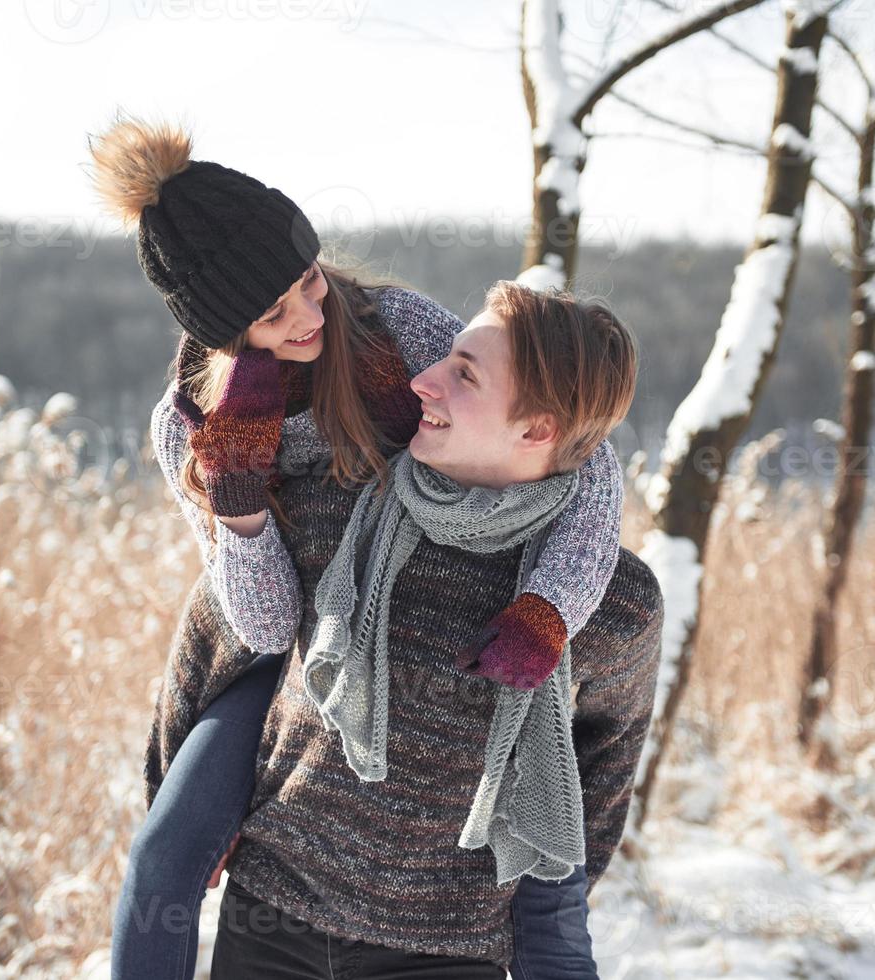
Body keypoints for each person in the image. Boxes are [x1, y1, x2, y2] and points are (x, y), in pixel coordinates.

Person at [89, 117, 630, 979]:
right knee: (164, 854)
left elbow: (576, 452)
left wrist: (549, 605)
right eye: (274, 311)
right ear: (226, 329)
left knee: (537, 879)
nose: (310, 312)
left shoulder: (393, 332)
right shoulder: (187, 426)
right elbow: (264, 629)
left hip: (404, 597)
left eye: (309, 281)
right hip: (283, 652)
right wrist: (239, 513)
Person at [146, 280, 664, 977]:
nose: (423, 380)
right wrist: (176, 820)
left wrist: (513, 904)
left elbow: (606, 758)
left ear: (537, 430)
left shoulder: (612, 601)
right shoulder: (334, 509)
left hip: (445, 951)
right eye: (446, 358)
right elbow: (209, 646)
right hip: (273, 917)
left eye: (464, 375)